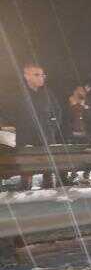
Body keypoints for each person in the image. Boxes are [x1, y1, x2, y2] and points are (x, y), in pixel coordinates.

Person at [10, 62, 63, 190]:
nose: (41, 77)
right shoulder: (18, 94)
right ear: (26, 76)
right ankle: (25, 194)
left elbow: (57, 111)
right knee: (26, 171)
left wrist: (52, 128)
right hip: (26, 138)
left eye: (43, 75)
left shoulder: (47, 93)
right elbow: (9, 114)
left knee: (48, 172)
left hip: (46, 138)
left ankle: (50, 196)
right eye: (37, 75)